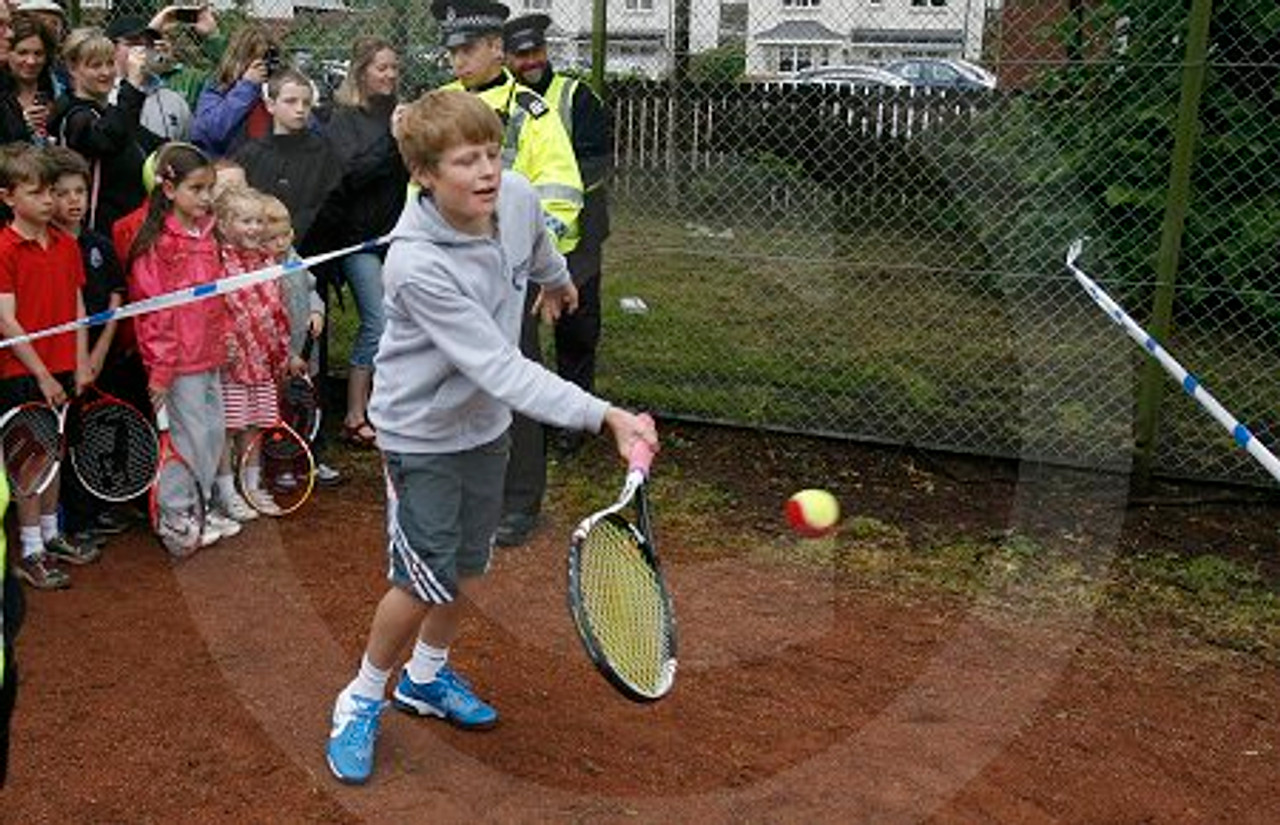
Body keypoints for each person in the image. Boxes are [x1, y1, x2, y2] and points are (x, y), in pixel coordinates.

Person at [324, 89, 658, 786]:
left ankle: (427, 678)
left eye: (491, 154)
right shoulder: (416, 266)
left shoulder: (515, 195)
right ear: (423, 174)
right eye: (464, 161)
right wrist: (606, 415)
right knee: (420, 578)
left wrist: (556, 279)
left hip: (484, 428)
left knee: (468, 563)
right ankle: (360, 697)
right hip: (421, 437)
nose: (486, 172)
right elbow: (505, 368)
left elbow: (535, 242)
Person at [431, 0, 584, 549]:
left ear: (498, 48)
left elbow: (561, 194)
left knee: (514, 385)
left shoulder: (532, 112)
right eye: (451, 51)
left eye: (468, 49)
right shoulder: (439, 110)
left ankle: (519, 502)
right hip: (445, 275)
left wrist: (544, 269)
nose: (458, 61)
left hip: (506, 278)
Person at [505, 13, 612, 461]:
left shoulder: (575, 95)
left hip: (577, 235)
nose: (531, 61)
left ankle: (573, 419)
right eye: (520, 54)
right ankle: (528, 420)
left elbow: (596, 161)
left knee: (576, 327)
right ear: (505, 56)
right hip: (511, 238)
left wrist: (550, 212)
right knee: (518, 331)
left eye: (536, 51)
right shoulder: (500, 100)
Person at [127, 141, 241, 551]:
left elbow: (218, 296)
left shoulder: (207, 233)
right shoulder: (158, 244)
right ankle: (175, 514)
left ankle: (199, 505)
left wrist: (224, 336)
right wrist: (161, 370)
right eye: (197, 188)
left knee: (210, 434)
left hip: (207, 356)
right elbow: (155, 315)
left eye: (210, 188)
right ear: (169, 190)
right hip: (176, 366)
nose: (206, 197)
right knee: (184, 438)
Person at [0, 143, 98, 590]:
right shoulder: (4, 248)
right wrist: (40, 372)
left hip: (62, 371)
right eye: (37, 193)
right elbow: (6, 317)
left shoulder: (66, 245)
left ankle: (52, 535)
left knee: (55, 457)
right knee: (29, 467)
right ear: (8, 197)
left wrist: (79, 362)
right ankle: (31, 550)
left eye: (50, 193)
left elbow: (78, 306)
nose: (48, 201)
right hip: (21, 374)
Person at [323, 36, 406, 448]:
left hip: (399, 236)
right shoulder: (345, 120)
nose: (389, 75)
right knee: (378, 321)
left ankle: (388, 408)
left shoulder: (400, 113)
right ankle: (355, 414)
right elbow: (350, 176)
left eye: (394, 67)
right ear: (362, 71)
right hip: (359, 240)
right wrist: (391, 141)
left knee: (402, 323)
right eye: (381, 68)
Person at [46, 144, 130, 545]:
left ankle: (93, 511)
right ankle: (67, 520)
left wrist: (96, 355)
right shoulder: (49, 247)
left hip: (100, 358)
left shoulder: (99, 244)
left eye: (79, 191)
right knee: (64, 438)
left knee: (94, 435)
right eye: (62, 193)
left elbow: (116, 296)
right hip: (59, 361)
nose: (72, 201)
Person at [210, 185, 289, 520]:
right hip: (231, 363)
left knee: (255, 426)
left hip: (263, 361)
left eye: (258, 221)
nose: (255, 228)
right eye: (245, 221)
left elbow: (279, 310)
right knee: (229, 427)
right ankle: (227, 492)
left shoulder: (269, 260)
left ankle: (252, 486)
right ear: (225, 224)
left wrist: (283, 351)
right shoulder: (217, 260)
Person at [261, 193, 340, 486]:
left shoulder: (296, 259)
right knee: (283, 414)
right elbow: (270, 320)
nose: (282, 243)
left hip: (309, 358)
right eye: (273, 238)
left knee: (308, 409)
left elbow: (312, 291)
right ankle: (281, 466)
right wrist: (288, 355)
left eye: (285, 234)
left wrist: (318, 312)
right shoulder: (263, 273)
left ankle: (310, 461)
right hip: (283, 362)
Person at [48, 26, 150, 235]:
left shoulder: (106, 110)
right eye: (95, 66)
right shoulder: (75, 116)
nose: (105, 72)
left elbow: (137, 135)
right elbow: (107, 139)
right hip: (97, 227)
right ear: (73, 68)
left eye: (110, 63)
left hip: (129, 220)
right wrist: (131, 88)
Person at [233, 67, 343, 251]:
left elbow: (331, 207)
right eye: (290, 101)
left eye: (306, 103)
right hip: (255, 250)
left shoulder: (324, 153)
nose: (300, 109)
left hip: (308, 251)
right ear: (270, 105)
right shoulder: (250, 154)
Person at [190, 23, 283, 158]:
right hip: (227, 167)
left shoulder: (279, 88)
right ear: (239, 60)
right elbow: (212, 131)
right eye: (257, 61)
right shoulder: (219, 86)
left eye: (267, 59)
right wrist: (247, 86)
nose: (263, 67)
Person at [103, 14, 191, 145]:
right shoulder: (102, 94)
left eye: (149, 44)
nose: (143, 50)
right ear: (111, 48)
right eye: (133, 43)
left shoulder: (175, 100)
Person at [0, 11, 57, 146]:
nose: (31, 61)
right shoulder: (2, 94)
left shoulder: (59, 89)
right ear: (8, 52)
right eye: (22, 53)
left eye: (38, 53)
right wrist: (21, 124)